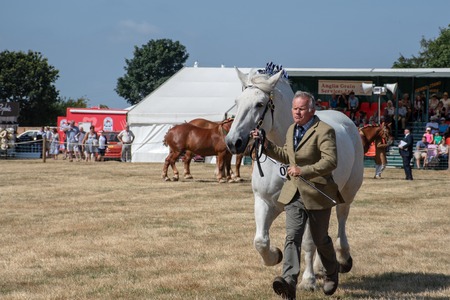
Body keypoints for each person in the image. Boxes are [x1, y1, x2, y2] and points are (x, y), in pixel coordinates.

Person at [251, 91, 342, 298]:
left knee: (320, 240)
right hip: (294, 192)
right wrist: (265, 145)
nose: (296, 112)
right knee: (292, 237)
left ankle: (331, 272)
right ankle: (289, 282)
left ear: (312, 110)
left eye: (301, 109)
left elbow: (330, 161)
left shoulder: (325, 131)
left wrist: (304, 170)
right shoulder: (292, 130)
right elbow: (286, 155)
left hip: (318, 193)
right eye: (294, 108)